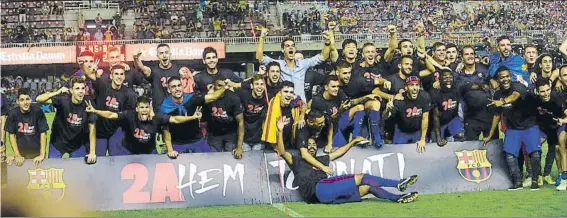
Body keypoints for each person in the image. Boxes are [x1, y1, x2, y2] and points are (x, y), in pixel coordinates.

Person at [274, 116, 419, 204]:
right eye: (308, 145)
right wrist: (280, 130)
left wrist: (352, 142)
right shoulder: (297, 161)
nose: (311, 147)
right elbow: (281, 151)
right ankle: (398, 183)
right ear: (303, 147)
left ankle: (398, 197)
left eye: (314, 146)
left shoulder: (322, 159)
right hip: (319, 188)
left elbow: (338, 153)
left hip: (324, 199)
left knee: (368, 188)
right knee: (363, 177)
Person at [483, 67, 541, 190]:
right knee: (510, 156)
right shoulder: (497, 94)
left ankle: (535, 180)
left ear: (511, 77)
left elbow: (515, 96)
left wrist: (503, 101)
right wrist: (490, 134)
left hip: (529, 125)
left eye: (507, 76)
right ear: (497, 80)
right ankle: (517, 182)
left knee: (535, 154)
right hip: (513, 129)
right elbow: (497, 115)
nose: (505, 79)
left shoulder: (518, 86)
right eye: (502, 77)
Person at [85, 96, 201, 157]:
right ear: (137, 109)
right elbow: (111, 114)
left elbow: (174, 119)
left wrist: (192, 117)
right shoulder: (129, 115)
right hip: (129, 151)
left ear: (149, 108)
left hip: (149, 153)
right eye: (141, 107)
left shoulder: (156, 117)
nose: (144, 110)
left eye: (146, 107)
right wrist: (95, 110)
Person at [256, 27, 331, 102]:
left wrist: (327, 42)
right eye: (287, 46)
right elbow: (260, 58)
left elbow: (323, 57)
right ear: (282, 50)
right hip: (285, 106)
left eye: (292, 46)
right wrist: (262, 37)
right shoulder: (278, 65)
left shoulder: (303, 64)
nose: (291, 48)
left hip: (300, 106)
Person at [35, 77, 97, 164]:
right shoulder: (63, 99)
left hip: (78, 144)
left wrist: (92, 152)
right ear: (71, 90)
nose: (80, 91)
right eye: (77, 88)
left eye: (82, 88)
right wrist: (57, 92)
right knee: (53, 168)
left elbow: (92, 127)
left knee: (80, 171)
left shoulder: (88, 103)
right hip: (58, 142)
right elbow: (38, 99)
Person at [159, 76, 225, 153]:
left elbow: (214, 96)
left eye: (179, 85)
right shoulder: (165, 106)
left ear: (182, 87)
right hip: (177, 144)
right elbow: (166, 129)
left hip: (197, 141)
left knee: (209, 161)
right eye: (173, 87)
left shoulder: (192, 98)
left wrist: (224, 87)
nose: (177, 89)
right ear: (169, 90)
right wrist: (170, 150)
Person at [86, 65, 137, 156]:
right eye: (116, 74)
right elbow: (89, 74)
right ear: (111, 76)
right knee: (98, 159)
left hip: (117, 131)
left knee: (116, 159)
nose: (119, 76)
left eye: (121, 74)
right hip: (100, 130)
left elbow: (127, 116)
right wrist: (83, 65)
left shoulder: (130, 94)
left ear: (124, 77)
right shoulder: (103, 86)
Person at [133, 43, 191, 112]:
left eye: (166, 52)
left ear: (170, 54)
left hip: (176, 109)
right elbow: (141, 68)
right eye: (161, 53)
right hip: (160, 110)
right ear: (157, 56)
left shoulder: (178, 70)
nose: (164, 55)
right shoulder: (154, 71)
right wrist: (135, 58)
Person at [383, 76, 431, 152]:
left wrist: (422, 139)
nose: (415, 88)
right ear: (406, 87)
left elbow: (425, 118)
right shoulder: (399, 100)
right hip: (401, 132)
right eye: (412, 85)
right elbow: (385, 117)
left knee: (423, 152)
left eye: (417, 85)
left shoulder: (424, 97)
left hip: (417, 132)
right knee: (397, 154)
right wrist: (387, 110)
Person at [4, 89, 49, 167]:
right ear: (17, 101)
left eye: (27, 99)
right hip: (21, 156)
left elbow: (43, 133)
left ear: (31, 99)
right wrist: (17, 154)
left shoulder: (38, 112)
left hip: (37, 155)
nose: (25, 103)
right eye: (22, 100)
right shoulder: (12, 114)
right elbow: (11, 135)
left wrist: (42, 155)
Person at [203, 77, 245, 159]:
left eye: (224, 85)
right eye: (219, 85)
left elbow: (241, 122)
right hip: (214, 134)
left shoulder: (233, 98)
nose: (222, 88)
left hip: (230, 133)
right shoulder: (208, 98)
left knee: (231, 159)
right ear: (213, 86)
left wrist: (239, 147)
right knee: (213, 159)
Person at [429, 69, 465, 145]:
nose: (448, 79)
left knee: (460, 135)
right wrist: (438, 137)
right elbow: (436, 117)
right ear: (440, 79)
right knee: (437, 143)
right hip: (439, 123)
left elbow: (469, 86)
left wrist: (481, 86)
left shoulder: (457, 88)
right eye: (445, 77)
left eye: (450, 77)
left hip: (452, 119)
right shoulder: (434, 93)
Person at [238, 75, 268, 152]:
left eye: (262, 84)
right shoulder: (243, 95)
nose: (259, 87)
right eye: (257, 84)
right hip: (244, 139)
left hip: (259, 140)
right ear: (251, 86)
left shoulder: (267, 98)